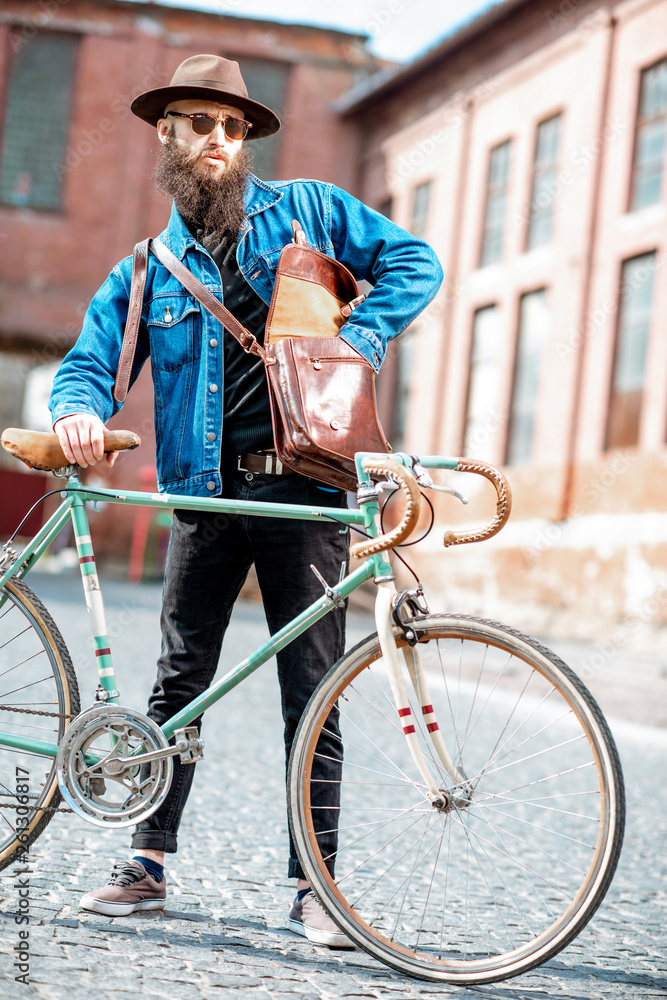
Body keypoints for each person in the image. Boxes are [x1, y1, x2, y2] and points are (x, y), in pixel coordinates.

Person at [49, 54, 443, 947]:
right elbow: (88, 365)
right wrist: (76, 411)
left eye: (233, 127)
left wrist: (363, 340)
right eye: (201, 123)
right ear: (168, 135)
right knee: (179, 682)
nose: (220, 139)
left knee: (314, 690)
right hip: (203, 495)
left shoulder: (307, 210)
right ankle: (147, 861)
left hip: (303, 488)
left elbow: (415, 261)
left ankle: (316, 886)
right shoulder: (147, 269)